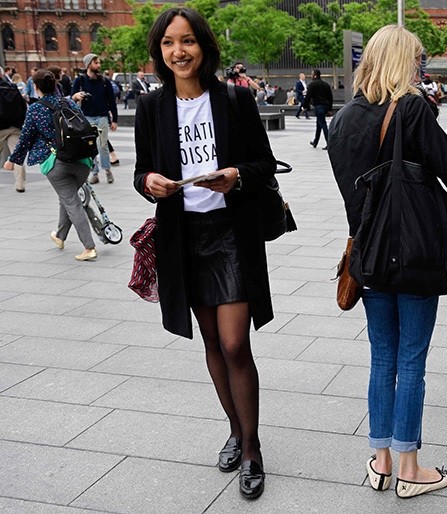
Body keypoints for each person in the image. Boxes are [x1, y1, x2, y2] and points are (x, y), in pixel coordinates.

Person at [328, 24, 447, 499]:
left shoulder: (346, 116)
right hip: (412, 254)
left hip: (368, 255)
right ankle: (410, 469)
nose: (422, 67)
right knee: (411, 361)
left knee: (382, 359)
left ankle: (380, 462)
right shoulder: (411, 108)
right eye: (417, 59)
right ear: (403, 62)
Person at [133, 7, 279, 499]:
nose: (180, 51)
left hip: (230, 234)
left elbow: (264, 164)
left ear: (204, 47)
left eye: (189, 41)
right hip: (183, 239)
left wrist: (236, 175)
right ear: (160, 51)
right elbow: (141, 172)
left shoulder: (234, 101)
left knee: (236, 343)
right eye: (170, 43)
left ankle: (253, 447)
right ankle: (235, 432)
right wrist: (150, 183)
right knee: (212, 343)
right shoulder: (153, 109)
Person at [4, 70, 97, 260]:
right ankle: (60, 236)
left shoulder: (35, 109)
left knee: (72, 202)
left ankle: (89, 247)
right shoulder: (69, 102)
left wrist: (12, 160)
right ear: (55, 85)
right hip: (82, 161)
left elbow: (25, 138)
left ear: (36, 88)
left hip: (56, 163)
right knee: (68, 198)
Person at [71, 53, 118, 184]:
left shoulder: (104, 81)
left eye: (98, 62)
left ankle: (107, 170)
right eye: (96, 63)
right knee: (90, 147)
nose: (99, 65)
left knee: (102, 145)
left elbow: (111, 102)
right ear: (88, 64)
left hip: (102, 116)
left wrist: (114, 120)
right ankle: (95, 173)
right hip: (86, 117)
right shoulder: (80, 81)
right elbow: (71, 98)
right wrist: (76, 96)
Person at [1, 75, 27, 192]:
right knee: (16, 155)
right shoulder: (13, 87)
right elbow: (22, 106)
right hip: (14, 127)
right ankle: (20, 185)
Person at [302, 69, 333, 150]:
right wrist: (330, 109)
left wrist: (304, 106)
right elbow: (330, 97)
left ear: (315, 75)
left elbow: (308, 96)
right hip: (326, 106)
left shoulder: (312, 85)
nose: (311, 76)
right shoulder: (326, 84)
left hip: (318, 106)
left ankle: (329, 143)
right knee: (319, 123)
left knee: (322, 123)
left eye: (312, 74)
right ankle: (315, 142)